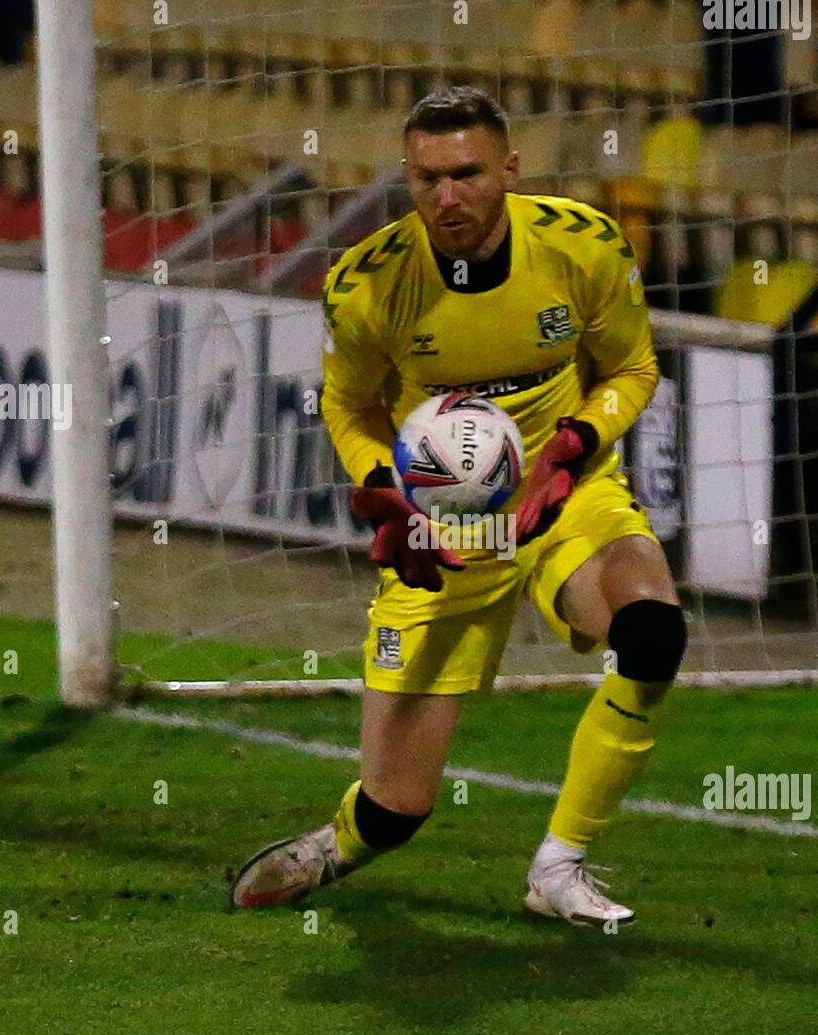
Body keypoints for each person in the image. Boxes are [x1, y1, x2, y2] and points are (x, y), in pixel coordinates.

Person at [232, 87, 687, 927]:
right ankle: (340, 843)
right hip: (443, 529)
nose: (448, 197)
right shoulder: (367, 283)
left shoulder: (583, 246)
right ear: (407, 176)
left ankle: (560, 863)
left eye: (468, 173)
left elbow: (633, 371)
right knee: (395, 810)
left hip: (566, 500)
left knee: (652, 627)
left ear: (509, 169)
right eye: (427, 178)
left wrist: (568, 450)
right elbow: (348, 406)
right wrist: (388, 497)